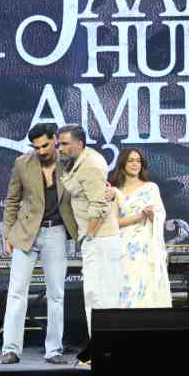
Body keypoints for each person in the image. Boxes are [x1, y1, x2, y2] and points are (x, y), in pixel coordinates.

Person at [0, 123, 78, 365]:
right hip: (26, 233)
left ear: (55, 139)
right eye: (36, 147)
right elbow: (12, 200)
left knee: (56, 294)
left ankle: (53, 350)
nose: (41, 151)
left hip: (56, 232)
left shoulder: (70, 162)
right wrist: (7, 235)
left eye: (45, 145)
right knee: (16, 292)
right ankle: (11, 349)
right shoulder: (22, 163)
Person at [58, 124, 120, 336]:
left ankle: (106, 344)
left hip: (100, 238)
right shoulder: (75, 162)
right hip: (95, 238)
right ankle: (101, 343)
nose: (60, 148)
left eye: (65, 144)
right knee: (95, 295)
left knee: (101, 295)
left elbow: (99, 206)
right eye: (59, 144)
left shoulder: (91, 165)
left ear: (79, 143)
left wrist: (90, 237)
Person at [108, 148, 171, 308]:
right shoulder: (116, 191)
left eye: (138, 161)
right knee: (125, 287)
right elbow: (112, 223)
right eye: (130, 160)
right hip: (123, 246)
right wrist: (139, 216)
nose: (135, 164)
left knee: (146, 286)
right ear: (122, 164)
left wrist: (152, 216)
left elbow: (160, 216)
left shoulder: (151, 188)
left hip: (146, 247)